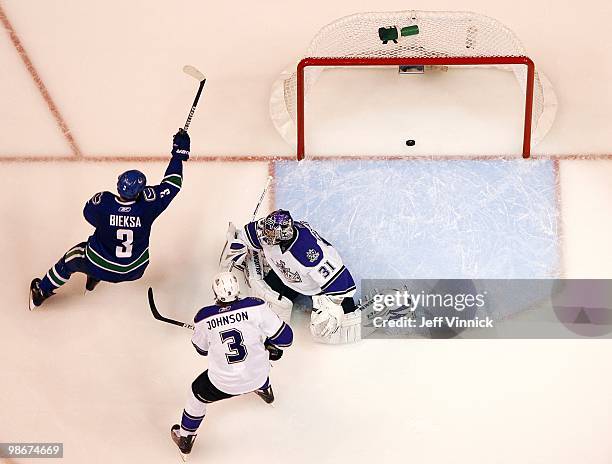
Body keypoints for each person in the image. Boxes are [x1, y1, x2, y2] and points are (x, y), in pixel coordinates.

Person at [29, 129, 190, 309]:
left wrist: (109, 224)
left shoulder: (103, 202)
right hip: (135, 269)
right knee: (104, 251)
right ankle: (93, 279)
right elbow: (173, 184)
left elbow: (87, 214)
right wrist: (179, 155)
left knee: (70, 259)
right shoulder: (149, 204)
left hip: (100, 263)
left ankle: (41, 291)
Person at [172, 271, 293, 460]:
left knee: (196, 393)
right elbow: (286, 339)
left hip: (223, 384)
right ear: (237, 289)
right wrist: (270, 345)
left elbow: (201, 350)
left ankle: (185, 438)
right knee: (259, 359)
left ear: (215, 293)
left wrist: (205, 333)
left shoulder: (203, 317)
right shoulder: (256, 306)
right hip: (258, 375)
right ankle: (265, 391)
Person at [219, 209, 360, 344]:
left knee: (338, 324)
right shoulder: (266, 229)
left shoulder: (309, 253)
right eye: (266, 231)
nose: (264, 236)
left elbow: (340, 279)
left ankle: (352, 311)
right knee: (269, 301)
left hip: (316, 285)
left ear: (283, 236)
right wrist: (238, 247)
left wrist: (335, 306)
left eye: (270, 235)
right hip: (287, 275)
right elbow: (244, 235)